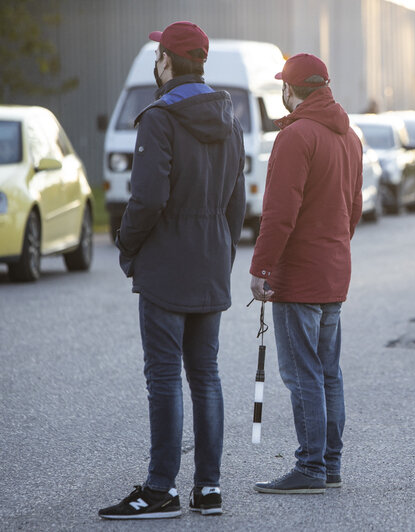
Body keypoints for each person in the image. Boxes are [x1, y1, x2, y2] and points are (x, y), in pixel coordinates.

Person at [99, 21, 245, 519]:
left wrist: (126, 245)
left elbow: (147, 199)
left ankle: (160, 489)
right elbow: (236, 204)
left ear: (167, 62)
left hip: (166, 266)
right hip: (209, 264)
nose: (155, 63)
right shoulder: (230, 117)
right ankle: (209, 488)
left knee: (163, 378)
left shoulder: (159, 118)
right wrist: (222, 256)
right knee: (205, 375)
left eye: (158, 56)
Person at [249, 53, 362, 494]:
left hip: (299, 278)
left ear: (291, 90)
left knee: (303, 374)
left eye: (283, 85)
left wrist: (262, 267)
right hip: (333, 274)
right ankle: (329, 465)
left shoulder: (297, 136)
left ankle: (311, 467)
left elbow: (278, 214)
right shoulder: (348, 136)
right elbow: (353, 211)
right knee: (327, 371)